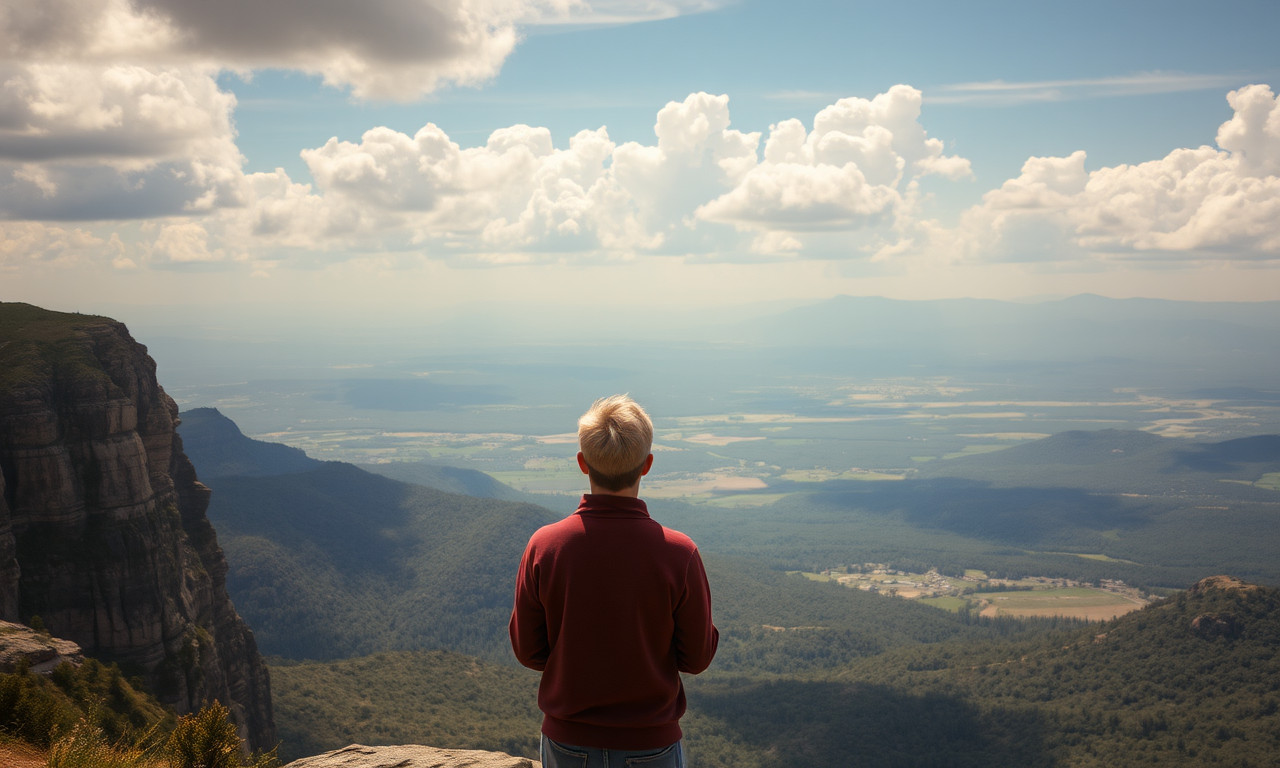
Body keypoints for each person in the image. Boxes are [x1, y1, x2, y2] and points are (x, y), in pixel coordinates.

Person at [509, 394, 719, 768]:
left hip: (566, 741)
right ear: (647, 465)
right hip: (651, 744)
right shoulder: (679, 553)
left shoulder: (545, 546)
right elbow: (697, 658)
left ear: (582, 463)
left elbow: (529, 650)